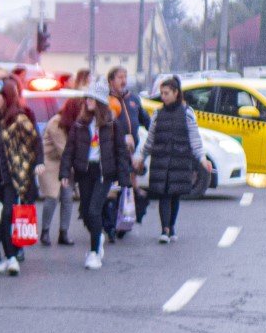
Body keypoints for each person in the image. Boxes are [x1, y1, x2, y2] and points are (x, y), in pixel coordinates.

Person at [60, 83, 132, 271]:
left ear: (99, 102)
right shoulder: (79, 124)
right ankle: (97, 237)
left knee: (94, 210)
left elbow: (121, 152)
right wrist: (64, 172)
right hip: (84, 172)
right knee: (85, 212)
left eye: (91, 98)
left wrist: (124, 178)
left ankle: (93, 252)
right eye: (87, 98)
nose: (87, 101)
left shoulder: (111, 124)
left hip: (103, 173)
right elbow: (69, 150)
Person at [135, 75, 212, 244]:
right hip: (161, 161)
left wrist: (202, 159)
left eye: (167, 93)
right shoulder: (158, 114)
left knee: (174, 195)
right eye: (162, 93)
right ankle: (165, 229)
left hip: (180, 161)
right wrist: (142, 156)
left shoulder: (187, 113)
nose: (163, 97)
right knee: (164, 194)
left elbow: (195, 139)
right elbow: (150, 139)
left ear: (176, 93)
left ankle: (172, 226)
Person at [0, 80, 42, 276]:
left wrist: (38, 163)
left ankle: (13, 256)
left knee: (10, 214)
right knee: (2, 217)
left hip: (16, 175)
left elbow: (36, 141)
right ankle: (8, 256)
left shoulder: (18, 118)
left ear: (6, 97)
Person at [108, 66, 152, 231]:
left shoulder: (133, 99)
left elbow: (146, 121)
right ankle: (111, 224)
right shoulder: (108, 101)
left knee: (132, 188)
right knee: (116, 188)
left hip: (131, 152)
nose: (123, 80)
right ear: (111, 81)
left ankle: (130, 217)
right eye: (119, 77)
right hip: (114, 152)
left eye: (125, 76)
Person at [40, 97, 79, 246]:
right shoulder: (56, 122)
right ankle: (45, 231)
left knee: (68, 197)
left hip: (66, 163)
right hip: (50, 162)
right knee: (52, 196)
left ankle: (64, 232)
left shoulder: (74, 123)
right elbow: (63, 149)